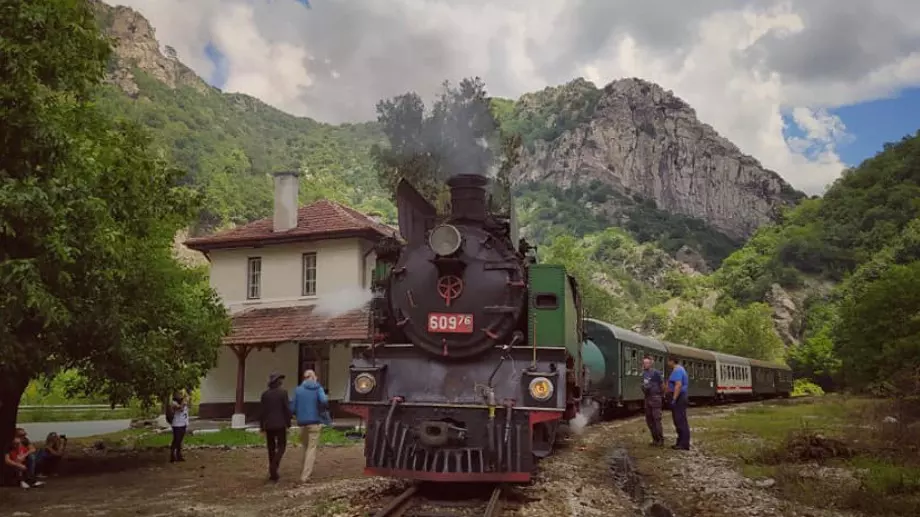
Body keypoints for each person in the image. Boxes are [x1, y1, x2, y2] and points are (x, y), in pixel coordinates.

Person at [290, 369, 328, 483]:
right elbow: (324, 401)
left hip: (302, 423)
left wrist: (298, 414)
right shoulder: (318, 388)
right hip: (314, 422)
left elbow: (292, 408)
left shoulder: (298, 390)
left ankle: (304, 470)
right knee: (311, 449)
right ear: (313, 377)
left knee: (305, 448)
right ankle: (305, 476)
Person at [260, 372, 293, 482]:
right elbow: (286, 409)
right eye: (280, 380)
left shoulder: (265, 394)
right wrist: (288, 423)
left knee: (271, 448)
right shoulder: (283, 393)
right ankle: (274, 466)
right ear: (278, 382)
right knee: (282, 446)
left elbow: (262, 412)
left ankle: (273, 473)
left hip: (269, 425)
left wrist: (262, 426)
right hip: (280, 424)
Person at [666, 357, 691, 450]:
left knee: (680, 420)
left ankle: (683, 443)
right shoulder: (681, 369)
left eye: (668, 361)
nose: (668, 363)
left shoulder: (677, 370)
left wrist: (674, 398)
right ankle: (681, 442)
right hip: (680, 397)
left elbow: (678, 385)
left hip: (679, 398)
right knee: (679, 420)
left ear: (672, 361)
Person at [641, 355, 665, 447]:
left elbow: (662, 385)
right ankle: (655, 439)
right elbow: (644, 385)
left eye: (647, 363)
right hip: (647, 398)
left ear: (651, 364)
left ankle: (660, 439)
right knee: (649, 420)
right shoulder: (644, 373)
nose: (645, 364)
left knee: (656, 419)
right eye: (644, 363)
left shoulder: (656, 373)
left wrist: (661, 395)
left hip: (655, 397)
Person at [169, 390, 190, 463]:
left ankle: (178, 455)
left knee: (180, 440)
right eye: (179, 394)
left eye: (181, 394)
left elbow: (187, 406)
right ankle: (172, 455)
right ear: (175, 395)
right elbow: (180, 409)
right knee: (176, 440)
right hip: (177, 424)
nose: (180, 395)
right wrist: (184, 402)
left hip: (183, 423)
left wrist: (186, 399)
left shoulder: (183, 401)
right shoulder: (173, 402)